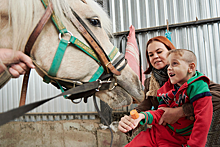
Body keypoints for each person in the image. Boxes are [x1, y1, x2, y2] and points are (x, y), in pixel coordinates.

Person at [118, 36, 220, 138]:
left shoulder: (185, 76)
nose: (155, 56)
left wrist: (181, 111)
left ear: (171, 53)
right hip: (166, 133)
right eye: (151, 55)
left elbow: (216, 95)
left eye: (159, 52)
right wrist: (130, 121)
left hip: (189, 133)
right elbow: (144, 106)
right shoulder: (150, 83)